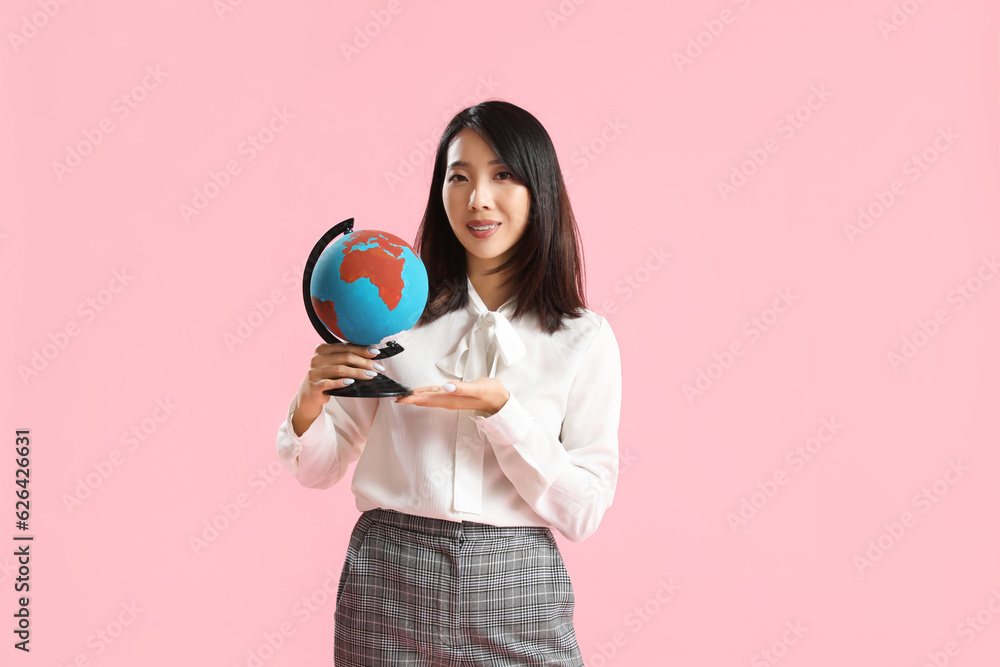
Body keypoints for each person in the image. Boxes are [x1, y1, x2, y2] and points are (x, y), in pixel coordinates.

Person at [276, 100, 622, 666]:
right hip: (387, 581)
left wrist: (504, 413)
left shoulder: (583, 340)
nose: (477, 198)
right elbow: (318, 468)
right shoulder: (391, 319)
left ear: (540, 189)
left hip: (519, 589)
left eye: (502, 175)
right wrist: (310, 403)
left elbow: (582, 511)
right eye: (458, 176)